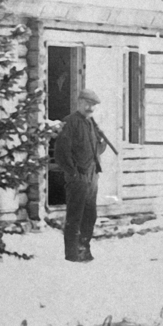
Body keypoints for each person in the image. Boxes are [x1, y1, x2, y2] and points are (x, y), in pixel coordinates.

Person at [54, 88, 116, 263]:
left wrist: (102, 142)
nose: (90, 107)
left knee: (90, 215)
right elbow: (61, 153)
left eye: (93, 105)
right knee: (75, 215)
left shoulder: (91, 123)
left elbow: (96, 149)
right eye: (87, 103)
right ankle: (72, 254)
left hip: (92, 175)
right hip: (78, 176)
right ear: (79, 102)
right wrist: (73, 173)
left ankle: (84, 249)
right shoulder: (70, 122)